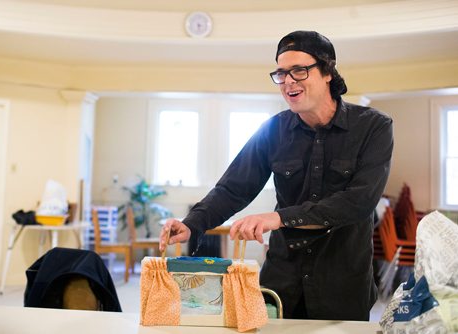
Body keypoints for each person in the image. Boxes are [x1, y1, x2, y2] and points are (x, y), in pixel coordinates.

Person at [159, 30, 393, 321]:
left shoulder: (373, 127)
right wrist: (192, 224)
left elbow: (359, 201)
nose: (289, 82)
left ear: (328, 71)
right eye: (281, 74)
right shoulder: (272, 130)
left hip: (343, 281)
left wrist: (279, 217)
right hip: (283, 278)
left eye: (299, 70)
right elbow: (233, 189)